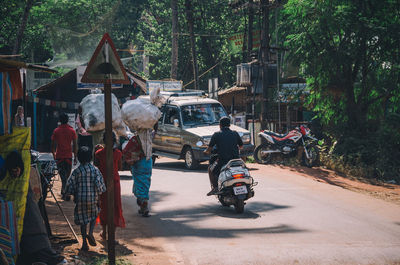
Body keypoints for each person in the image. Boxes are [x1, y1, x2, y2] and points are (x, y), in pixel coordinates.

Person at [65, 146, 106, 251]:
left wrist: (69, 194)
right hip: (93, 199)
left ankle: (84, 243)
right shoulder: (95, 170)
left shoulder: (77, 171)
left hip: (80, 200)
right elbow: (100, 186)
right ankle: (91, 232)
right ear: (91, 158)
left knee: (83, 221)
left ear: (78, 158)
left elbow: (70, 185)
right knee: (94, 215)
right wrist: (100, 193)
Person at [94, 132, 125, 240]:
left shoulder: (98, 153)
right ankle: (112, 235)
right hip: (115, 183)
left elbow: (96, 165)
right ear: (114, 141)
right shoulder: (118, 153)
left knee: (104, 206)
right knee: (115, 207)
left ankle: (105, 232)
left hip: (103, 184)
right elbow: (120, 167)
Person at [203, 116, 243, 195]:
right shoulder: (235, 133)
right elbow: (241, 146)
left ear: (220, 125)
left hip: (222, 160)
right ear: (229, 125)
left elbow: (209, 149)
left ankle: (215, 188)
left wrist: (205, 152)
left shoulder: (216, 134)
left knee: (210, 169)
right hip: (236, 160)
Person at [51, 112, 77, 200]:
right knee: (66, 176)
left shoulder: (56, 131)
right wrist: (75, 157)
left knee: (63, 176)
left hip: (59, 157)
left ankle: (64, 192)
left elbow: (53, 144)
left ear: (60, 121)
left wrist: (53, 153)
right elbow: (75, 145)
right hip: (69, 156)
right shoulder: (72, 130)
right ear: (67, 120)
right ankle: (65, 192)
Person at [130, 128, 154, 217]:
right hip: (148, 162)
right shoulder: (150, 137)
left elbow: (127, 151)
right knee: (145, 183)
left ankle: (144, 205)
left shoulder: (135, 139)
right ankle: (142, 206)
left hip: (139, 164)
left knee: (140, 184)